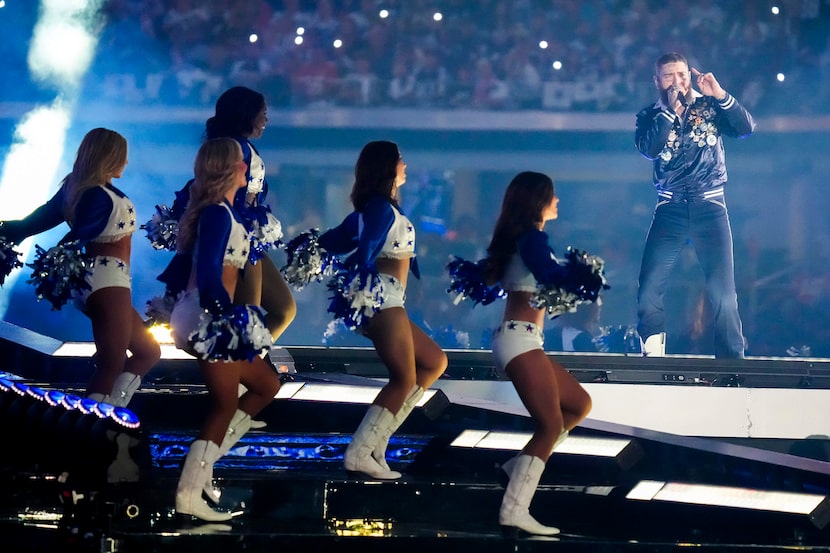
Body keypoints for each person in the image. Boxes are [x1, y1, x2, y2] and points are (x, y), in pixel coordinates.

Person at [0, 128, 160, 407]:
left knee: (148, 351)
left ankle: (113, 413)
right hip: (108, 279)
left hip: (99, 280)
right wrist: (58, 255)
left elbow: (28, 226)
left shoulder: (75, 189)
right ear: (109, 157)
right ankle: (95, 428)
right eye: (122, 156)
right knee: (113, 362)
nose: (126, 162)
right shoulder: (97, 194)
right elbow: (79, 235)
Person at [317, 140, 447, 479]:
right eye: (401, 160)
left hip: (390, 300)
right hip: (382, 299)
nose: (406, 165)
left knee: (434, 362)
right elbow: (367, 246)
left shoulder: (372, 210)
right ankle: (360, 452)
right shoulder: (377, 209)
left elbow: (329, 242)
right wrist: (360, 268)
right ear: (387, 167)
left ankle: (378, 441)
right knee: (403, 378)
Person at [168, 138, 281, 522]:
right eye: (241, 162)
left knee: (267, 385)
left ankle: (205, 467)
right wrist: (226, 317)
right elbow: (212, 273)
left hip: (209, 312)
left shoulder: (224, 213)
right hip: (207, 314)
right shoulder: (217, 213)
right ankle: (188, 494)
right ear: (228, 168)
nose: (247, 168)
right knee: (225, 404)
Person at [482, 171, 592, 536]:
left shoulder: (525, 239)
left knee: (578, 404)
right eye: (553, 195)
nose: (558, 200)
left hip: (525, 340)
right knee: (550, 425)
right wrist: (582, 277)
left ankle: (517, 467)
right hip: (519, 341)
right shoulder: (532, 238)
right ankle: (514, 510)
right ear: (538, 201)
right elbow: (548, 272)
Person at [635, 52, 755, 358]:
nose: (677, 81)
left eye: (682, 74)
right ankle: (652, 358)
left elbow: (745, 128)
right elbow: (649, 148)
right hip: (669, 209)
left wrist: (721, 94)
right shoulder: (649, 116)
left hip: (710, 208)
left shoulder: (711, 105)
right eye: (669, 76)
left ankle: (733, 365)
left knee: (723, 295)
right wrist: (668, 111)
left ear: (690, 74)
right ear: (657, 81)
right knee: (649, 289)